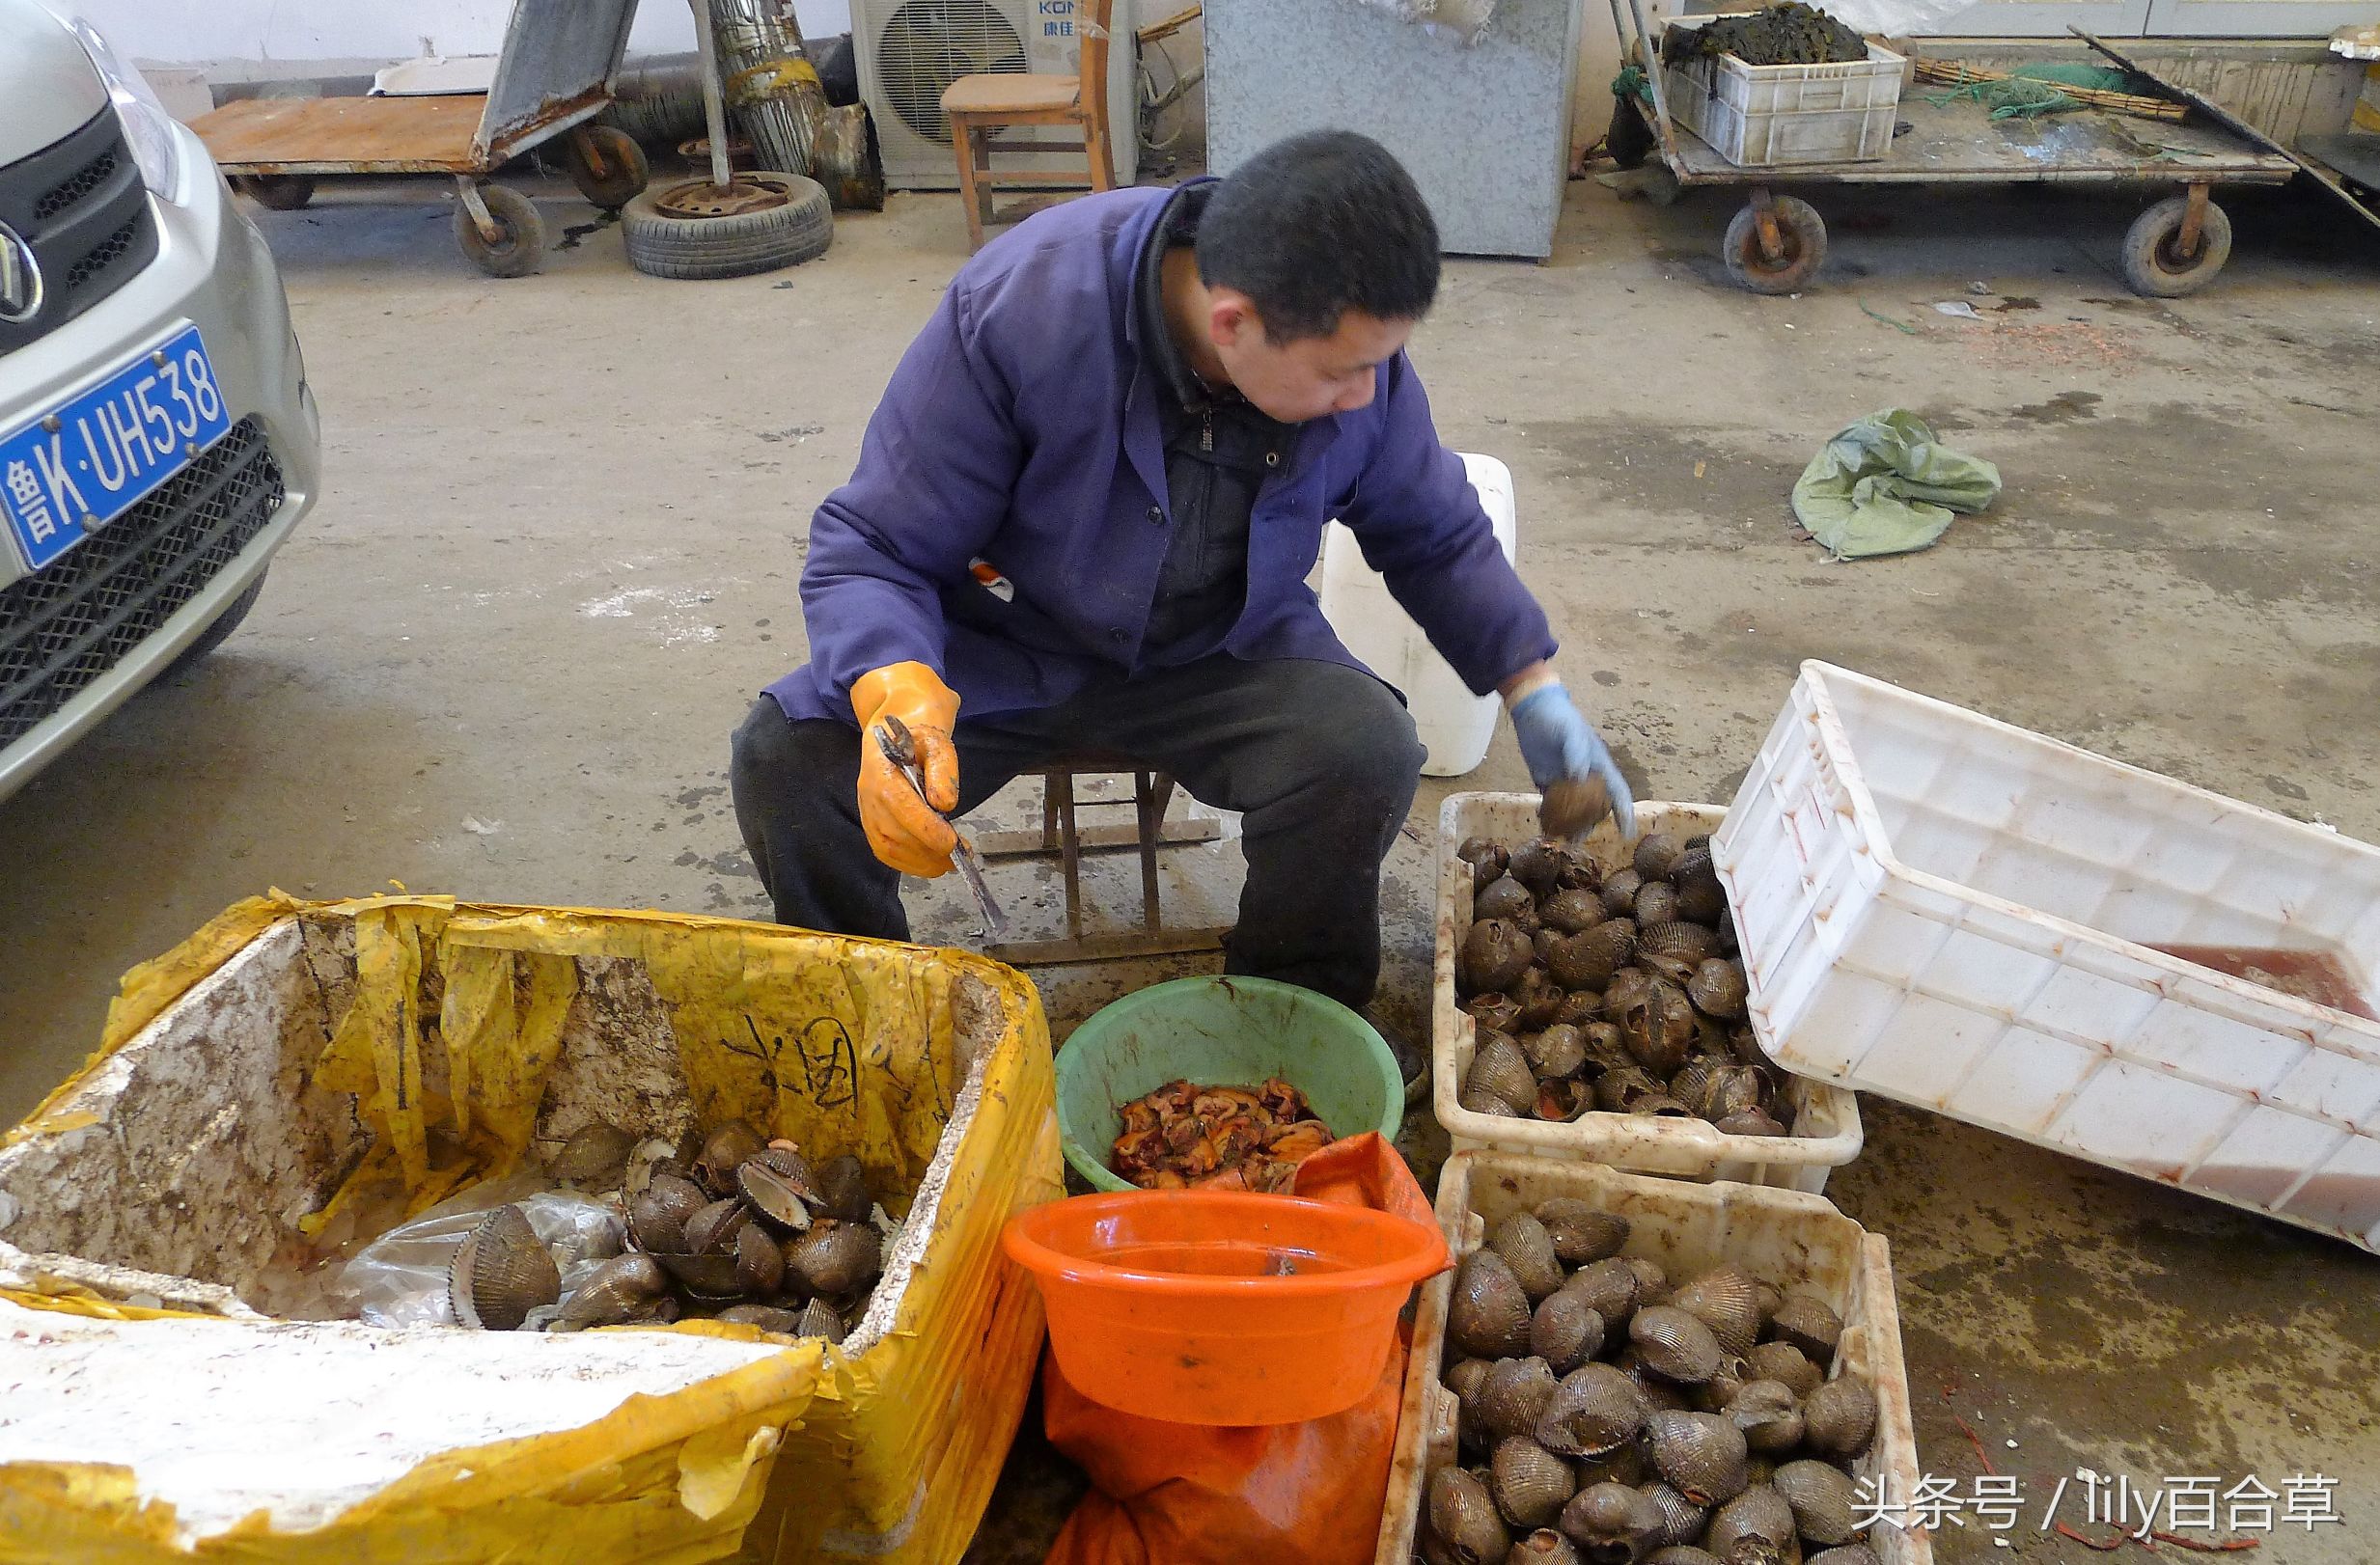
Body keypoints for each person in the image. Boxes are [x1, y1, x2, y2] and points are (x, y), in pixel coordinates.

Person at [731, 129, 1633, 1074]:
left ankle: (1292, 1024)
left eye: (1382, 364)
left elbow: (1435, 530)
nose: (1365, 394)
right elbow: (872, 545)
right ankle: (871, 1027)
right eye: (1339, 373)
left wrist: (1531, 684)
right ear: (1233, 322)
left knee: (1361, 748)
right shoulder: (1022, 310)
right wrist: (892, 685)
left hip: (1222, 641)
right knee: (788, 761)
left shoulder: (1354, 363)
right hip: (1001, 640)